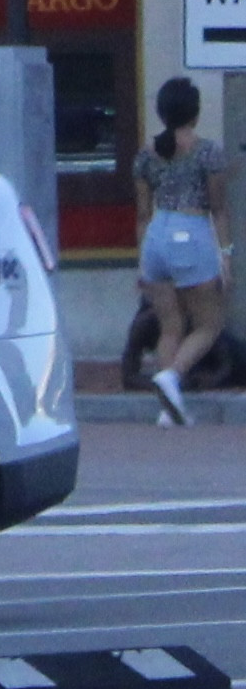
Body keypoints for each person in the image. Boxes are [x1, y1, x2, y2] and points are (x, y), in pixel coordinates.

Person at [133, 76, 233, 426]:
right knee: (209, 323)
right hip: (190, 234)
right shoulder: (207, 152)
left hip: (156, 237)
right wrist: (226, 253)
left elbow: (143, 214)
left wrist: (139, 262)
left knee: (170, 326)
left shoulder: (146, 155)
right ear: (195, 112)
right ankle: (173, 376)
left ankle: (168, 409)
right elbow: (217, 209)